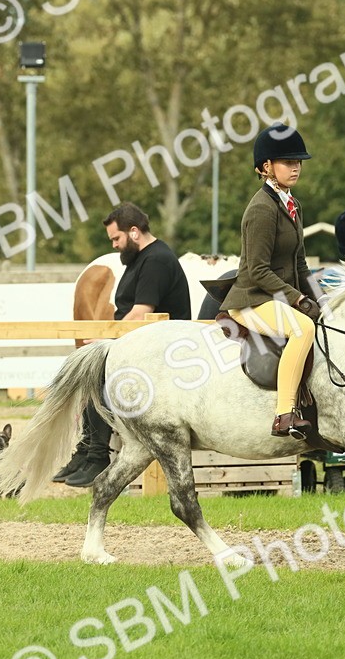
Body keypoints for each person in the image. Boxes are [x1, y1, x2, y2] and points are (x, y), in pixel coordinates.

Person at [53, 202, 191, 485]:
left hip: (161, 351)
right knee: (91, 370)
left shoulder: (156, 261)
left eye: (116, 239)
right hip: (143, 343)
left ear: (135, 232)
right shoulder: (140, 259)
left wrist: (109, 339)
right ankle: (87, 452)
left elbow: (141, 312)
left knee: (101, 376)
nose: (114, 245)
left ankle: (96, 456)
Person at [219, 123, 321, 439]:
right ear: (266, 167)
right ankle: (284, 414)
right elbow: (259, 270)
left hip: (275, 296)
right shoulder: (261, 209)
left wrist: (318, 296)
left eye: (298, 162)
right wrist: (298, 299)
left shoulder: (292, 204)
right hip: (252, 298)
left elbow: (300, 263)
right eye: (288, 162)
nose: (296, 167)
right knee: (302, 328)